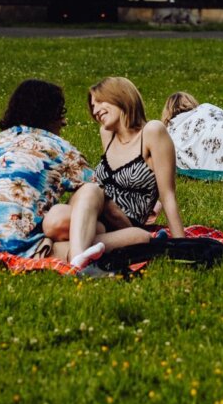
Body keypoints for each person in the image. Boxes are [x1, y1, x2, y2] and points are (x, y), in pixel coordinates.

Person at [0, 79, 96, 263]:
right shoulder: (58, 147)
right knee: (95, 228)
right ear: (49, 114)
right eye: (60, 113)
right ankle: (137, 240)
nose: (64, 122)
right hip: (21, 250)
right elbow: (98, 193)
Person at [61, 77, 185, 269]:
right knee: (54, 221)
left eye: (100, 102)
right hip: (97, 216)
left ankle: (77, 258)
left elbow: (167, 195)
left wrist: (181, 245)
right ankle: (81, 255)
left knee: (89, 194)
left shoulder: (152, 132)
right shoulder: (107, 133)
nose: (95, 111)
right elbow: (110, 182)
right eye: (93, 106)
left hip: (124, 221)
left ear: (120, 96)